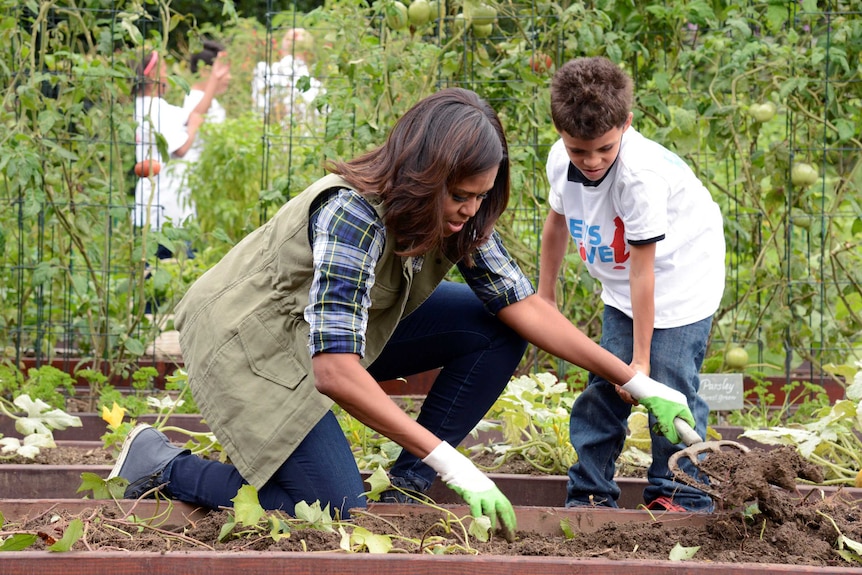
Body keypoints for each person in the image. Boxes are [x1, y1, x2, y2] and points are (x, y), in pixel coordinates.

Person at [109, 88, 696, 538]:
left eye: (480, 196)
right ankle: (161, 464)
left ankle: (407, 488)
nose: (471, 210)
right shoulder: (352, 215)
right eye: (461, 195)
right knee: (327, 512)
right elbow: (334, 371)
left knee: (493, 327)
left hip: (326, 333)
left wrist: (635, 380)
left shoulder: (457, 212)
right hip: (253, 340)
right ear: (423, 176)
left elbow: (520, 303)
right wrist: (451, 460)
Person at [538, 56, 726, 512]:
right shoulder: (562, 162)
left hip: (681, 281)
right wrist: (546, 294)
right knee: (605, 387)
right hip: (625, 289)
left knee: (668, 386)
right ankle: (590, 492)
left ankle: (680, 493)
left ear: (626, 123)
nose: (592, 161)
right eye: (579, 150)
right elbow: (555, 226)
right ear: (560, 132)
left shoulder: (639, 177)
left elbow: (646, 271)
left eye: (604, 148)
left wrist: (639, 363)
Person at [131, 48, 231, 257]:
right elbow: (181, 148)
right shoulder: (154, 109)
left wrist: (213, 80)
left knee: (152, 270)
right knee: (178, 265)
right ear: (152, 75)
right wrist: (193, 128)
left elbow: (193, 114)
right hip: (164, 206)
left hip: (156, 204)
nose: (168, 77)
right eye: (165, 71)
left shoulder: (146, 106)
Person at [251, 27, 321, 128]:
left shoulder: (263, 70)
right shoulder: (318, 87)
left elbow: (258, 110)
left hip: (270, 130)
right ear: (308, 50)